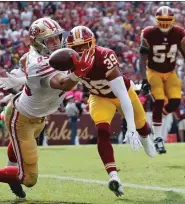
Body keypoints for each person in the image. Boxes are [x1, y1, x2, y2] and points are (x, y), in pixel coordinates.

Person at [0, 17, 94, 199]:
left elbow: (28, 65)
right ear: (38, 42)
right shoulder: (40, 63)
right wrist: (77, 74)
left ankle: (10, 176)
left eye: (57, 38)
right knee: (28, 178)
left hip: (37, 116)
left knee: (17, 147)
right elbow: (63, 84)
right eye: (49, 40)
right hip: (22, 118)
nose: (55, 43)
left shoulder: (41, 56)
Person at [66, 25, 156, 197]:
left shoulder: (104, 56)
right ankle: (113, 176)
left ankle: (145, 138)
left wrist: (130, 127)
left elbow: (122, 95)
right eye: (76, 48)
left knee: (141, 126)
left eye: (84, 45)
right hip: (98, 97)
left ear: (92, 43)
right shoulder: (69, 61)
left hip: (122, 93)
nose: (80, 50)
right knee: (102, 130)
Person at [139, 6, 185, 153]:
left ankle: (156, 122)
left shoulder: (178, 33)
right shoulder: (149, 34)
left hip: (171, 72)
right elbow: (142, 59)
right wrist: (144, 79)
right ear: (156, 20)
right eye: (162, 21)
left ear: (172, 21)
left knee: (175, 102)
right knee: (159, 100)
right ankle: (158, 138)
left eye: (167, 21)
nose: (165, 24)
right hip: (154, 71)